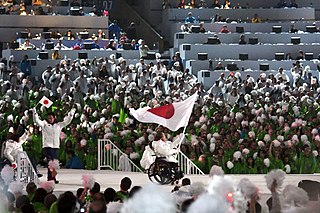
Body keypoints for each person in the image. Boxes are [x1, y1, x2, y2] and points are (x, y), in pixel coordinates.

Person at [32, 107, 76, 183]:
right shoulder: (44, 124)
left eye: (51, 118)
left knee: (55, 163)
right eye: (49, 118)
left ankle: (53, 177)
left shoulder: (58, 125)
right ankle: (50, 178)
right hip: (47, 146)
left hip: (55, 146)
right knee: (50, 163)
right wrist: (35, 113)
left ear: (54, 118)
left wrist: (71, 113)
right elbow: (37, 121)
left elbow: (67, 122)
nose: (50, 119)